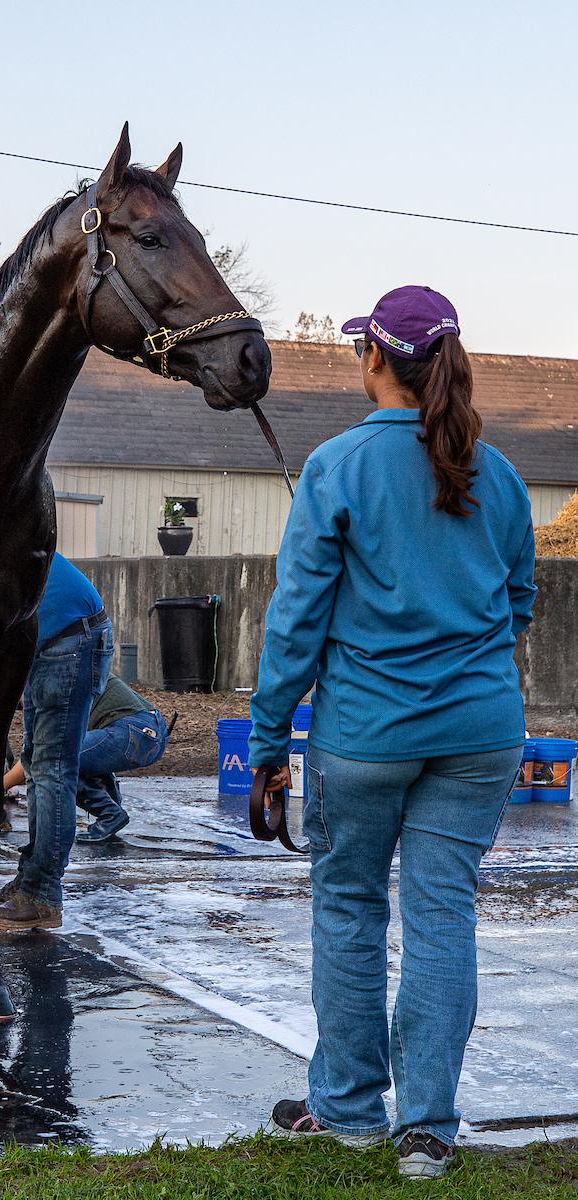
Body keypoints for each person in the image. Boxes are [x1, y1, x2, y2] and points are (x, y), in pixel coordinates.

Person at [249, 286, 536, 1180]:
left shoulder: (339, 466)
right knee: (443, 915)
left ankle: (345, 1111)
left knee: (349, 906)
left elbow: (296, 620)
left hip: (367, 735)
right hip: (481, 732)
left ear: (374, 359)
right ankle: (428, 1129)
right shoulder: (504, 475)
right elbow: (517, 603)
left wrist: (267, 742)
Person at [0, 553, 113, 931]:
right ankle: (32, 877)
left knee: (52, 770)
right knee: (36, 763)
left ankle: (43, 894)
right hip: (53, 636)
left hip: (69, 639)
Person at [1, 674, 170, 843]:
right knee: (83, 753)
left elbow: (37, 759)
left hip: (132, 733)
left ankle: (110, 814)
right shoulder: (73, 664)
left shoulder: (47, 681)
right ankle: (112, 806)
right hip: (152, 731)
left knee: (53, 759)